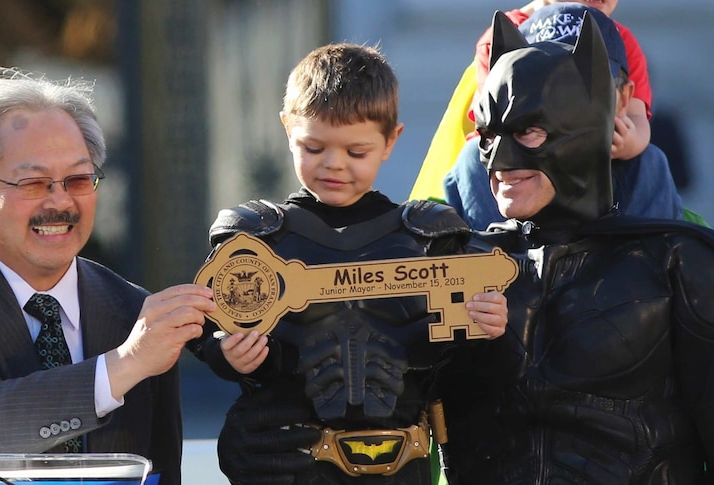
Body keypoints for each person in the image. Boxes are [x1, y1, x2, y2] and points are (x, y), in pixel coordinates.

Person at [0, 68, 215, 485]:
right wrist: (124, 364)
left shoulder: (130, 309)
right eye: (34, 183)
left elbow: (161, 469)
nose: (61, 201)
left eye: (79, 179)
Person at [189, 43, 509, 484]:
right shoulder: (255, 241)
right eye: (314, 147)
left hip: (402, 463)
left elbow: (465, 365)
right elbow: (204, 324)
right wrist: (226, 353)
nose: (334, 165)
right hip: (282, 461)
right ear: (288, 129)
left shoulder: (430, 239)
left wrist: (488, 326)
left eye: (356, 152)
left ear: (390, 140)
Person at [435, 12, 714, 483]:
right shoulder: (458, 266)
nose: (499, 160)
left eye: (528, 131)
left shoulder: (677, 263)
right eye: (488, 134)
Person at [443, 3, 685, 231]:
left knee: (649, 159)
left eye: (576, 89)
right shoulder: (481, 161)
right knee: (473, 156)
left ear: (622, 98)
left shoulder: (642, 166)